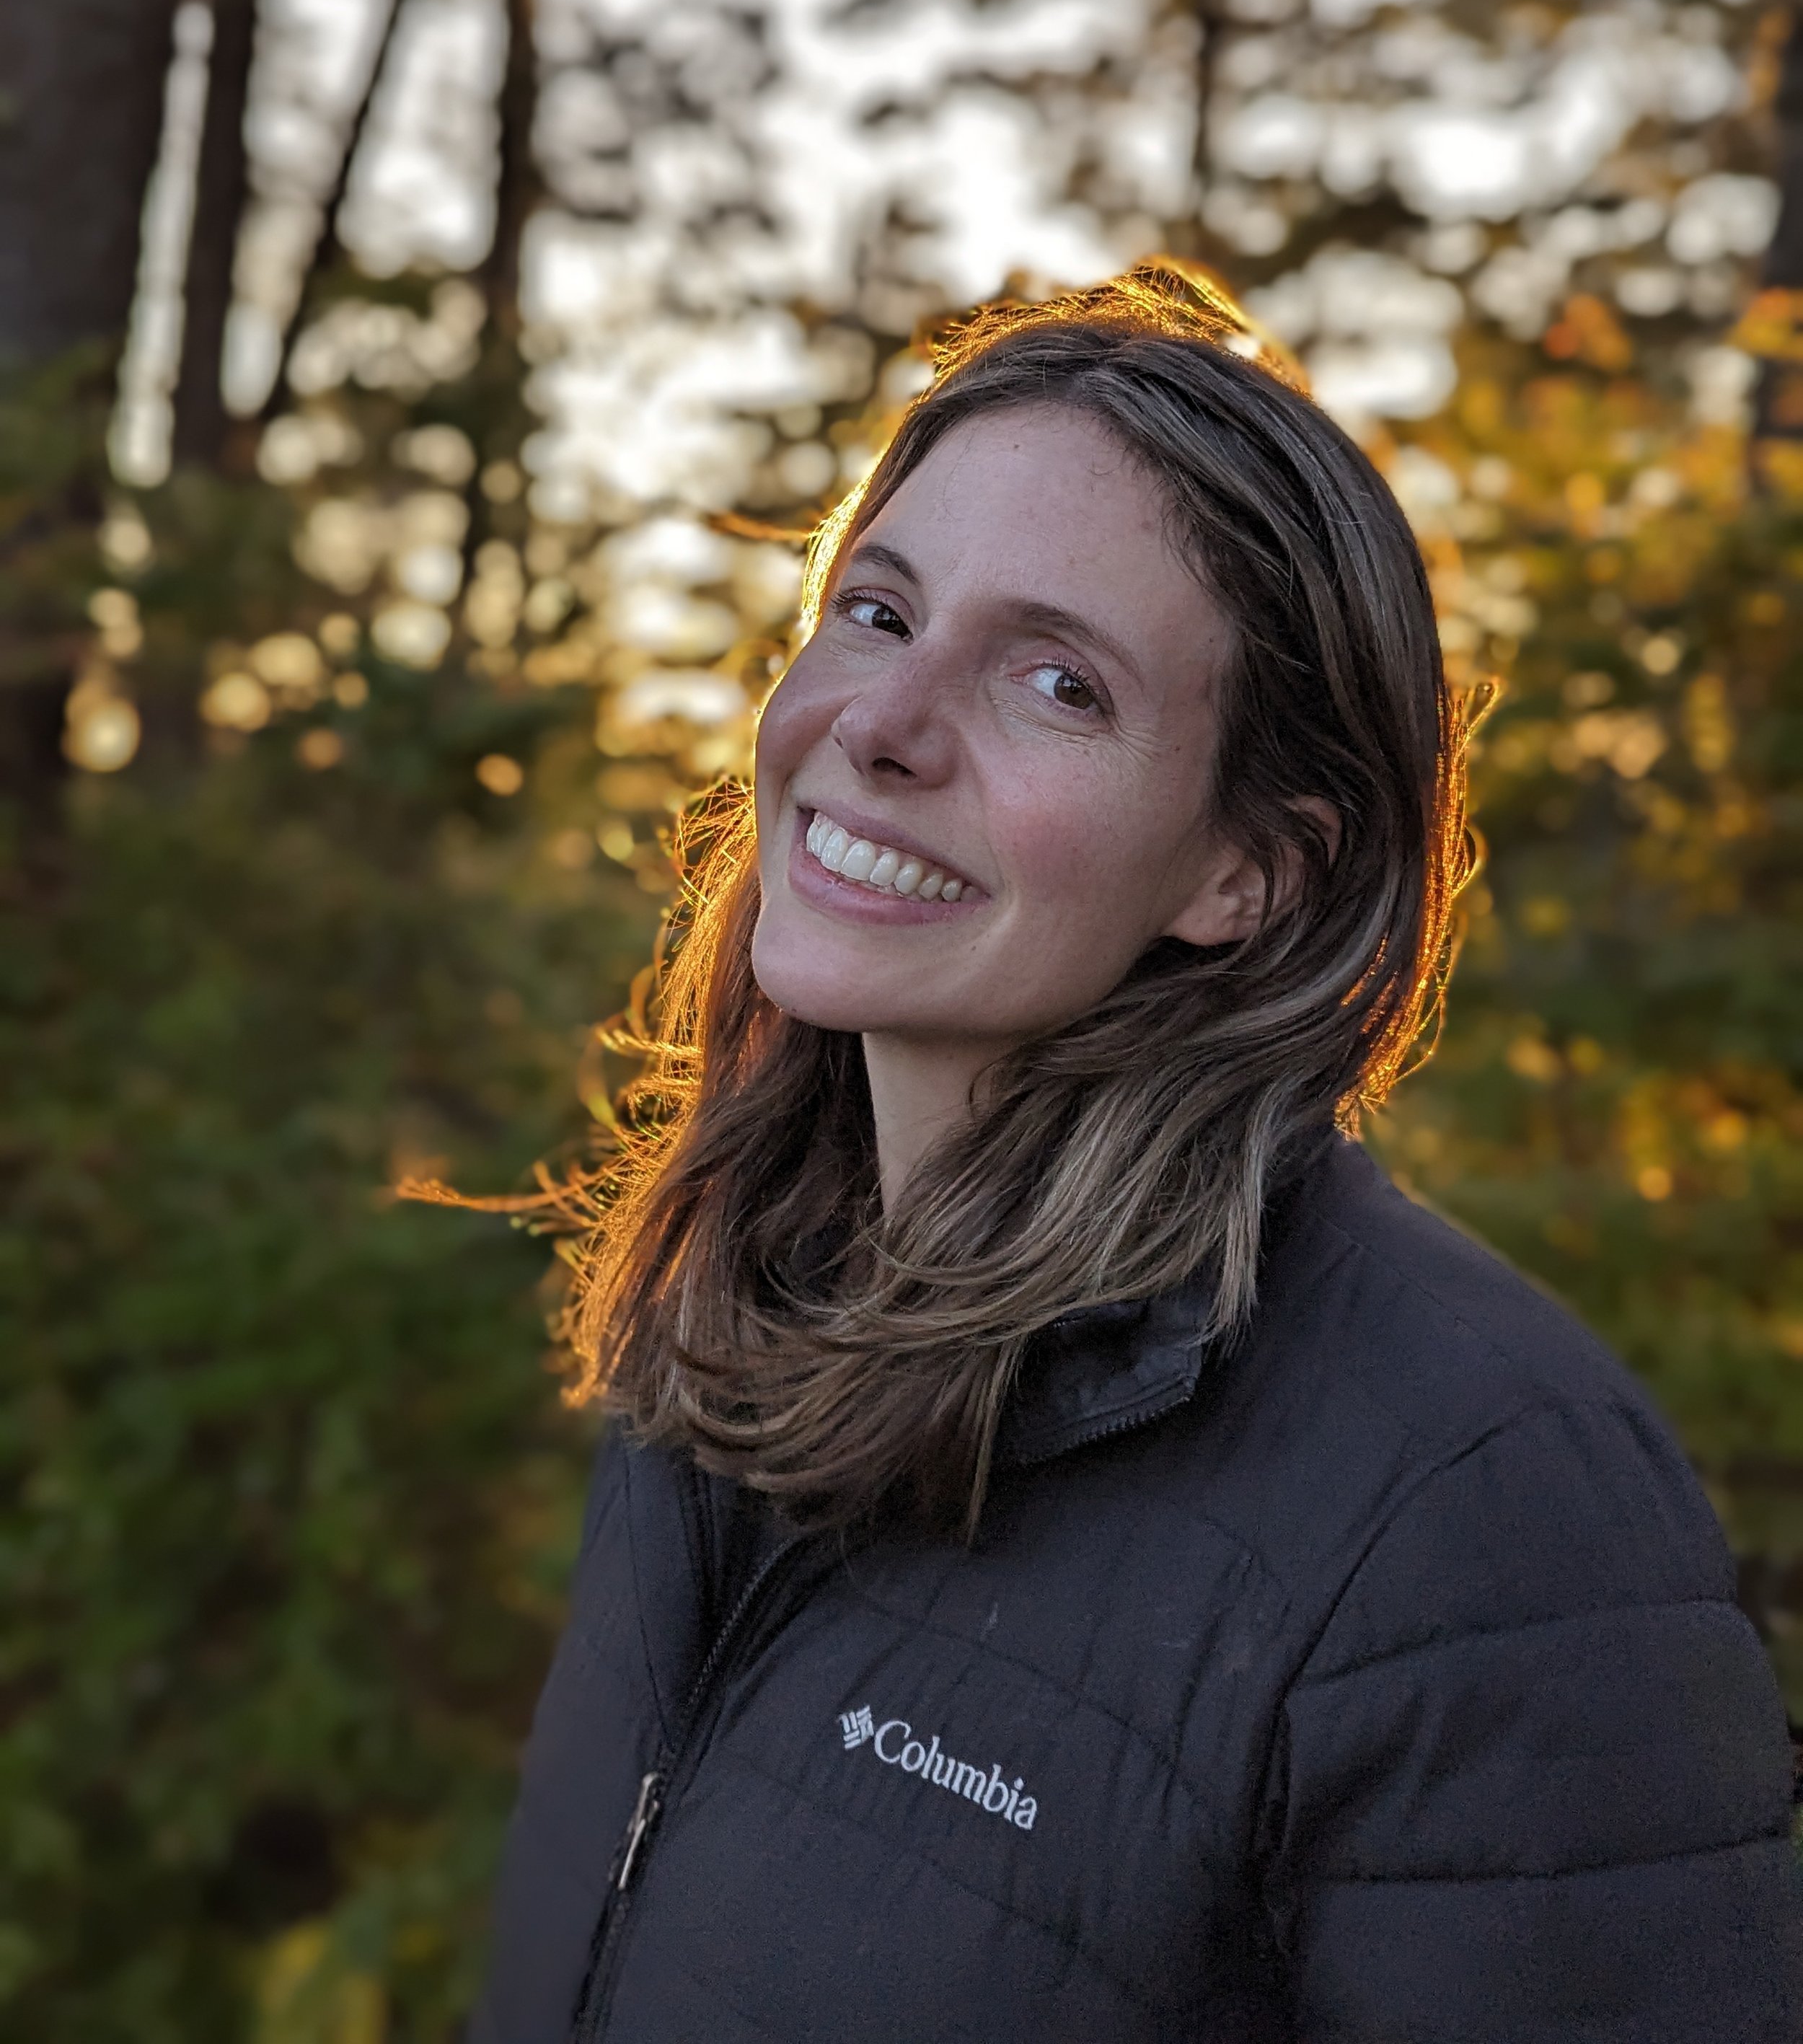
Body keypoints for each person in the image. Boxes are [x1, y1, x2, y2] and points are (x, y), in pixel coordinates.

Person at [472, 263, 1802, 2042]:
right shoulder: (737, 1311)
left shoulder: (1486, 1513)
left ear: (1247, 869)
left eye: (1054, 681)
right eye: (874, 610)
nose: (880, 722)